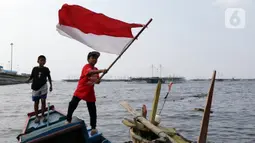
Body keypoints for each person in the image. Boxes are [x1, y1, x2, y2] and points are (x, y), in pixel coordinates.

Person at [65, 51, 107, 135]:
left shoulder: (96, 69)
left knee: (92, 110)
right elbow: (89, 72)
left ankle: (93, 128)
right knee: (73, 104)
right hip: (81, 89)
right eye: (92, 58)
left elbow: (97, 81)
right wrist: (102, 71)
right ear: (88, 59)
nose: (94, 59)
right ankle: (68, 119)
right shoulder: (86, 67)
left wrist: (99, 79)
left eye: (96, 58)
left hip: (90, 92)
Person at [26, 55, 53, 123]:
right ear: (38, 61)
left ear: (45, 62)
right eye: (41, 60)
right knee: (36, 102)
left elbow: (49, 77)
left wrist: (51, 86)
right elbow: (32, 76)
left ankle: (43, 116)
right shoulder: (35, 68)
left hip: (44, 86)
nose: (42, 61)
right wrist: (28, 80)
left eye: (44, 60)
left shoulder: (46, 69)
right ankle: (37, 117)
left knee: (43, 101)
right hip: (35, 87)